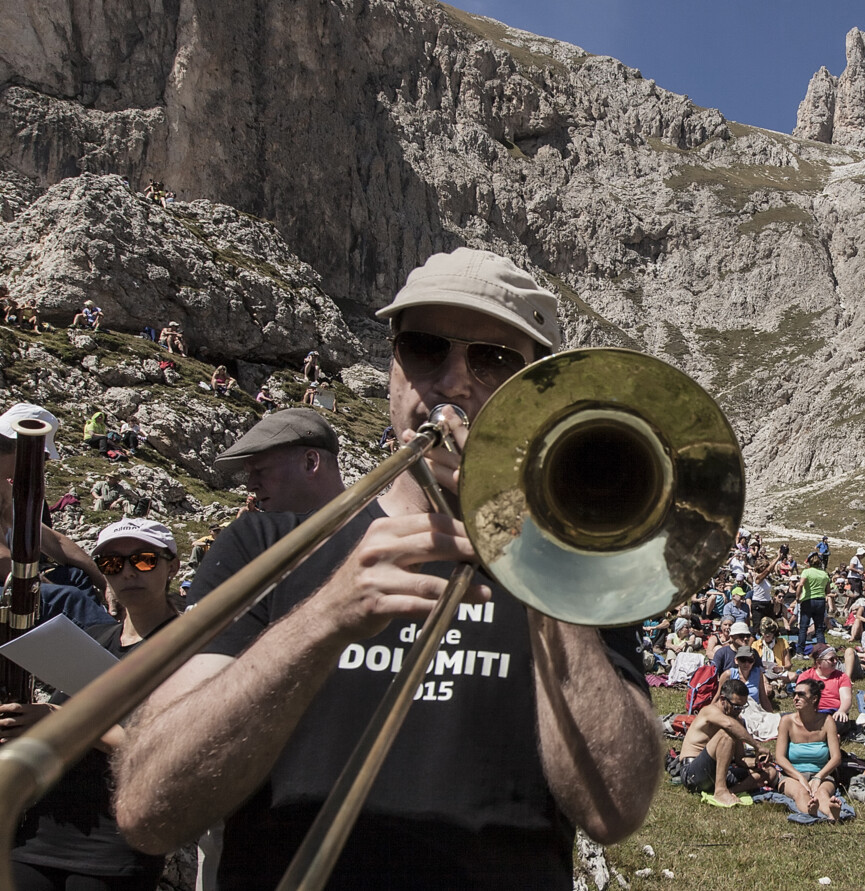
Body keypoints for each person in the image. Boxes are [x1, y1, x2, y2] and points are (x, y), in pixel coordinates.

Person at [114, 248, 660, 889]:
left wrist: (539, 558)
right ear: (393, 367)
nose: (454, 383)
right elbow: (148, 810)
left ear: (538, 392)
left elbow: (612, 808)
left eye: (493, 360)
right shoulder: (265, 542)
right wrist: (322, 620)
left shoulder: (576, 564)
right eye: (426, 348)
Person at [6, 520, 181, 891]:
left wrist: (63, 720)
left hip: (115, 847)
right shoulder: (90, 639)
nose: (128, 572)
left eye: (145, 560)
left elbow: (163, 751)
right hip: (39, 834)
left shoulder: (189, 647)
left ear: (173, 566)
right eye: (113, 564)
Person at [212, 408, 348, 514]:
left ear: (310, 462)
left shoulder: (367, 536)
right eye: (250, 474)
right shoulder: (264, 541)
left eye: (261, 470)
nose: (250, 486)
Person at [673, 679, 767, 806]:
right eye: (736, 706)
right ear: (723, 699)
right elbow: (728, 725)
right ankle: (720, 791)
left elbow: (740, 759)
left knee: (769, 773)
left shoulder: (736, 721)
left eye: (742, 707)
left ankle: (731, 791)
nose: (739, 710)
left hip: (718, 773)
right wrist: (757, 746)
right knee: (727, 734)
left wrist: (758, 762)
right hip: (693, 774)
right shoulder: (710, 711)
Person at [775, 678, 844, 822]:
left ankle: (831, 814)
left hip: (821, 773)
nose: (795, 698)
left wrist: (818, 777)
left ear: (814, 699)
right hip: (792, 775)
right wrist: (799, 777)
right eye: (794, 694)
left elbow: (836, 757)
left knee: (822, 792)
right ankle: (811, 810)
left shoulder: (826, 721)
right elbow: (779, 758)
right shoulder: (787, 721)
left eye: (801, 695)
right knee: (800, 792)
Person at [794, 553, 832, 656]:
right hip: (820, 601)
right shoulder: (824, 574)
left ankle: (800, 651)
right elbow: (828, 591)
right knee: (819, 627)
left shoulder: (807, 572)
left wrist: (797, 597)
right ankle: (822, 651)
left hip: (808, 600)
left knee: (803, 627)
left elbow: (801, 584)